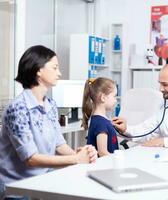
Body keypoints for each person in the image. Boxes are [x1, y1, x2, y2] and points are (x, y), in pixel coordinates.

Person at [0, 45, 98, 199]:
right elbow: (31, 159)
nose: (59, 73)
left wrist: (81, 156)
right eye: (55, 67)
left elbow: (59, 144)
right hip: (18, 188)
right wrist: (75, 160)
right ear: (39, 70)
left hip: (42, 179)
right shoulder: (17, 109)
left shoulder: (51, 105)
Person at [82, 77, 119, 157]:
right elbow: (103, 153)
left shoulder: (100, 120)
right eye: (114, 96)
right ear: (103, 97)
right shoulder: (101, 123)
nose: (116, 100)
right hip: (104, 166)